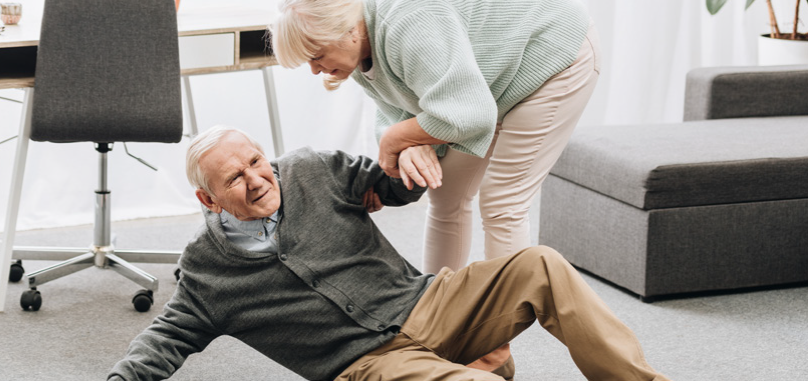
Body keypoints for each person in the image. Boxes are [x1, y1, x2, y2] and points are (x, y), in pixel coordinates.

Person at [108, 125, 669, 381]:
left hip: (430, 303)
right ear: (209, 200)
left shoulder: (310, 169)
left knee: (539, 265)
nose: (258, 178)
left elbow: (388, 185)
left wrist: (411, 168)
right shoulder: (206, 273)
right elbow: (165, 339)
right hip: (368, 364)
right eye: (235, 178)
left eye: (257, 161)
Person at [269, 0, 600, 275]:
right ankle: (442, 320)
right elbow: (397, 108)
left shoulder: (408, 21)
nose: (314, 70)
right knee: (446, 197)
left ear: (350, 31)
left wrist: (395, 141)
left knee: (502, 203)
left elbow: (469, 113)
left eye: (316, 56)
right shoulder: (356, 52)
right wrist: (408, 143)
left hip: (553, 53)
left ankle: (497, 343)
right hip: (486, 83)